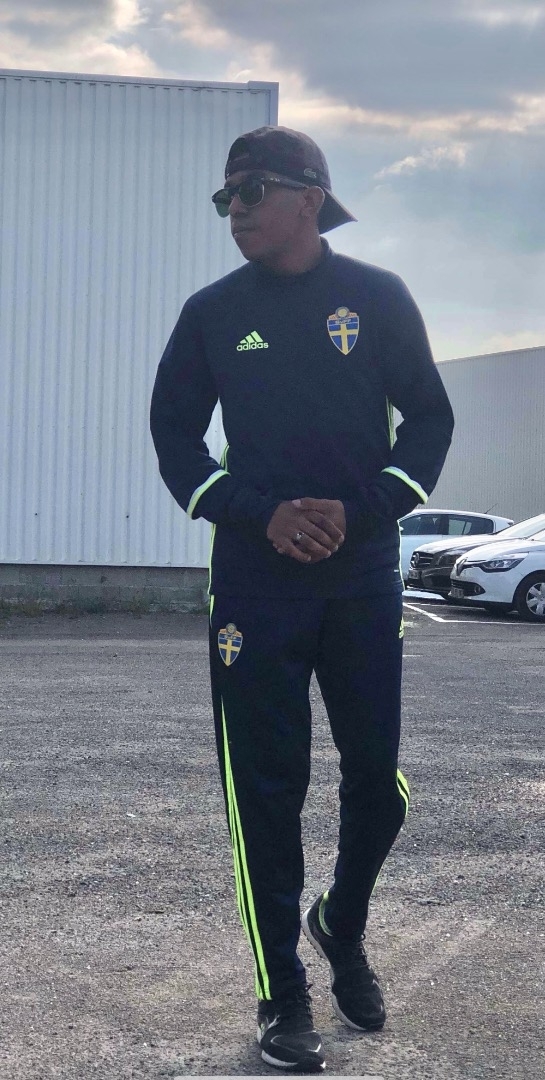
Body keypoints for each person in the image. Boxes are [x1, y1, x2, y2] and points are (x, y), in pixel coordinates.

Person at [150, 125, 454, 1074]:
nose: (232, 210)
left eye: (250, 191)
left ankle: (341, 922)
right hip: (254, 582)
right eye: (224, 196)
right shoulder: (212, 313)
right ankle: (281, 991)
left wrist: (362, 512)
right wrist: (258, 514)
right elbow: (174, 438)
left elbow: (429, 419)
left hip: (360, 575)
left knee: (377, 781)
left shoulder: (377, 297)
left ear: (309, 198)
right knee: (265, 788)